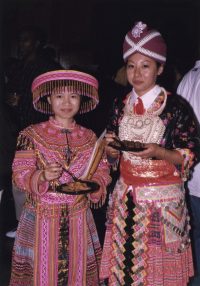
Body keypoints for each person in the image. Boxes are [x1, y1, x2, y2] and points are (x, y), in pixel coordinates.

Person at [100, 21, 200, 285]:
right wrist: (110, 150)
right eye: (131, 66)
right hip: (127, 199)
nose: (137, 73)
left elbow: (190, 152)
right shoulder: (119, 105)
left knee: (160, 273)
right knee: (126, 265)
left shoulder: (175, 107)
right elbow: (112, 154)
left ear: (160, 68)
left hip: (163, 202)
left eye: (145, 65)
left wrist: (159, 152)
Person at [9, 69, 111, 285]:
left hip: (78, 216)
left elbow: (102, 171)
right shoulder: (30, 135)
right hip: (41, 216)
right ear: (48, 99)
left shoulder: (90, 137)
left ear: (81, 99)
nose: (66, 102)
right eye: (59, 96)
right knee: (42, 274)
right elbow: (19, 174)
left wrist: (93, 185)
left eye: (73, 96)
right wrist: (42, 175)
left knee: (78, 272)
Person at [5, 26, 62, 238]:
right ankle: (23, 225)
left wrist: (25, 101)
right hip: (20, 130)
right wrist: (12, 100)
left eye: (26, 40)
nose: (22, 44)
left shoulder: (47, 67)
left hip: (43, 130)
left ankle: (45, 225)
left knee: (44, 178)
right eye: (20, 40)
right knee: (20, 177)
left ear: (37, 42)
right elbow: (9, 92)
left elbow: (56, 100)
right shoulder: (18, 67)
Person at [177, 62, 200, 286]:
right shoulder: (190, 77)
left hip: (190, 181)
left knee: (193, 248)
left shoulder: (188, 77)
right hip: (192, 182)